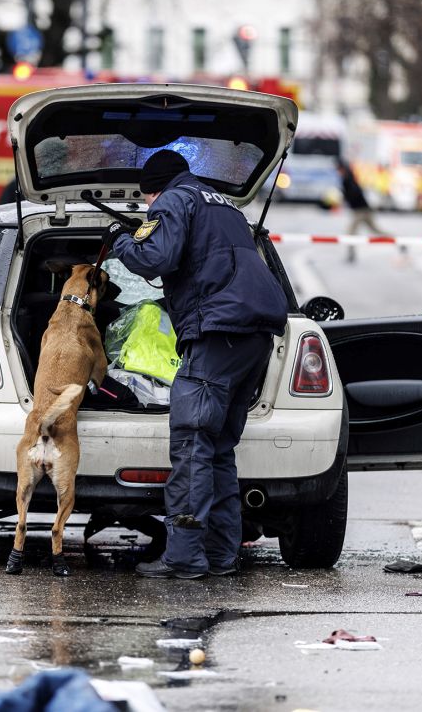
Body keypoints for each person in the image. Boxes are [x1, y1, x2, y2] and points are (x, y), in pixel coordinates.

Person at [102, 150, 289, 579]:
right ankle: (222, 555)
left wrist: (121, 239)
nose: (149, 207)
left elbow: (155, 259)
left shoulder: (171, 201)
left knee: (191, 443)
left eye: (147, 199)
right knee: (218, 447)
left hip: (217, 333)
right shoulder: (224, 204)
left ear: (154, 189)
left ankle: (184, 557)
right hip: (255, 336)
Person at [337, 159, 389, 262]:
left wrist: (345, 197)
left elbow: (354, 193)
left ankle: (351, 254)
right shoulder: (349, 177)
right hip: (363, 209)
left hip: (360, 210)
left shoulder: (347, 178)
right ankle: (398, 241)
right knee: (376, 230)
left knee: (351, 232)